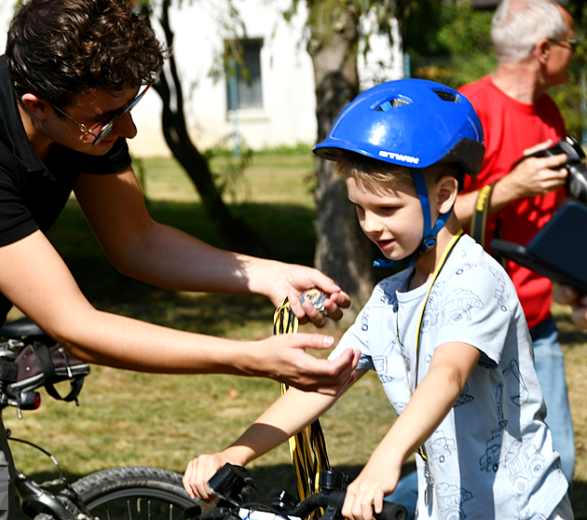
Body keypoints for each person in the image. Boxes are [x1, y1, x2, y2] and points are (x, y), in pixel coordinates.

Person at [0, 0, 360, 518]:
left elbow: (137, 241)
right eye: (108, 118)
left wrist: (265, 275)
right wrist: (253, 358)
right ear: (36, 106)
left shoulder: (83, 112)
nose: (127, 129)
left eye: (131, 106)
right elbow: (79, 327)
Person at [182, 79, 572, 520]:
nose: (370, 225)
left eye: (386, 210)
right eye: (359, 208)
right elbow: (329, 380)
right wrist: (236, 453)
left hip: (520, 511)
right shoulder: (391, 294)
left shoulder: (475, 279)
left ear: (443, 197)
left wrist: (385, 458)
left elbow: (448, 375)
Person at [451, 0, 576, 485]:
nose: (576, 53)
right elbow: (428, 219)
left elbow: (553, 218)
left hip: (536, 320)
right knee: (466, 456)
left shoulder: (548, 113)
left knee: (555, 454)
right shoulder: (467, 110)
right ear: (544, 50)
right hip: (476, 321)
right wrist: (510, 188)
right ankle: (375, 505)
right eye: (571, 44)